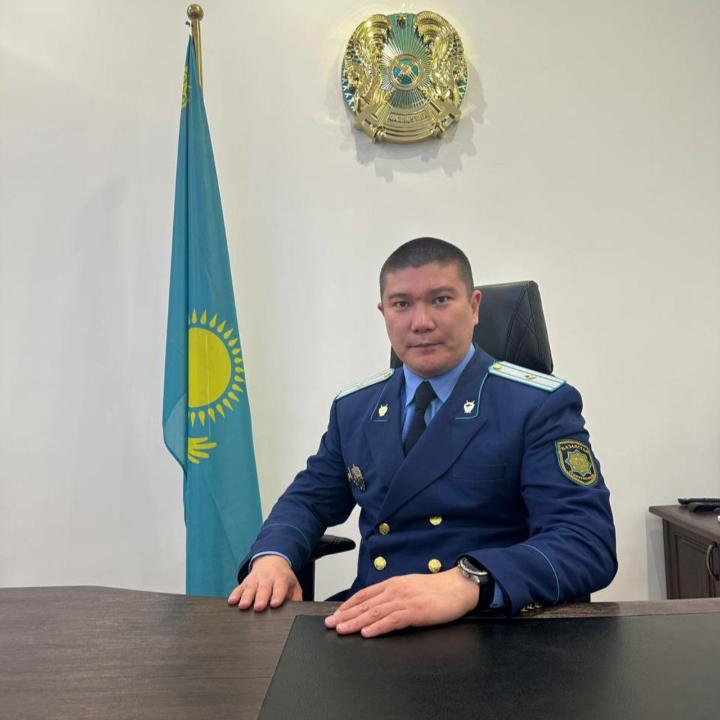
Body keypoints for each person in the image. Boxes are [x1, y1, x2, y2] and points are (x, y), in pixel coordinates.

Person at [228, 237, 616, 637]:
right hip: (372, 618)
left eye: (441, 300)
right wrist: (273, 557)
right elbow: (308, 500)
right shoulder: (356, 408)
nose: (421, 322)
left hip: (487, 627)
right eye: (401, 304)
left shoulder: (535, 405)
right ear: (383, 313)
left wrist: (470, 580)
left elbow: (586, 542)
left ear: (475, 307)